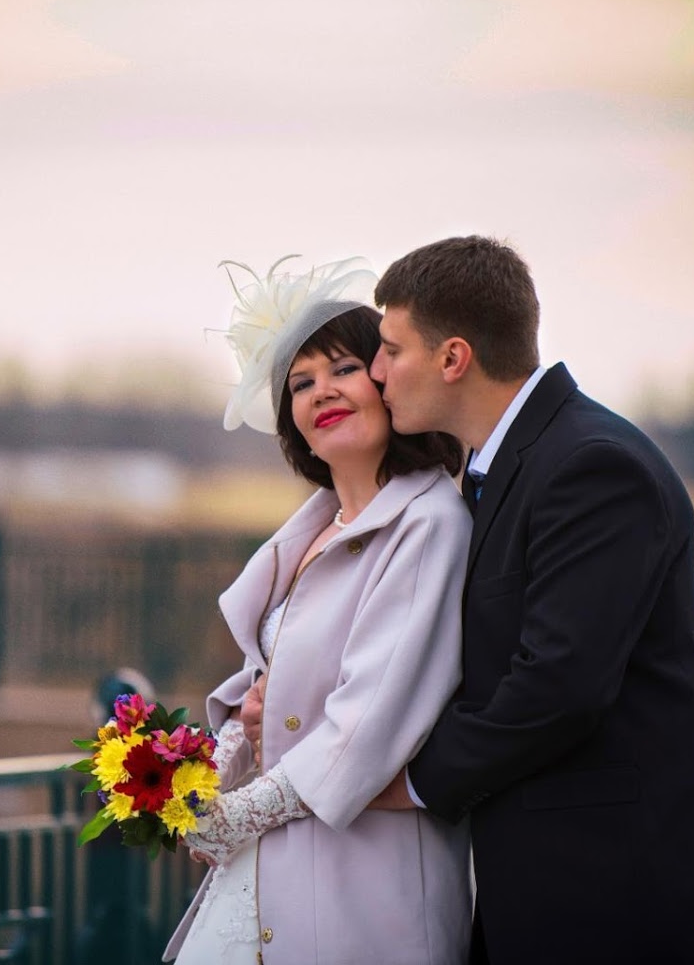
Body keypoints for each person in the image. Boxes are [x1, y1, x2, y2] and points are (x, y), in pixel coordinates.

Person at [354, 235, 694, 963]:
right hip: (546, 901)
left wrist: (412, 779)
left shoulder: (592, 467)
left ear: (454, 358)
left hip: (627, 909)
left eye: (391, 348)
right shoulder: (500, 471)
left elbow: (559, 685)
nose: (377, 371)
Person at [163, 257, 474, 964]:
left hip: (364, 882)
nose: (321, 391)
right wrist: (206, 779)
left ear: (386, 382)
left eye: (342, 368)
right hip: (272, 876)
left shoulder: (429, 525)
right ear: (293, 425)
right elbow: (262, 696)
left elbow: (366, 721)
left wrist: (233, 817)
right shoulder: (312, 531)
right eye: (300, 384)